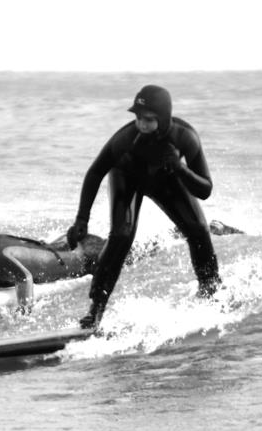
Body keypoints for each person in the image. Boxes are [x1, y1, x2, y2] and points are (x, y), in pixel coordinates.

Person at [66, 84, 222, 330]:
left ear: (164, 118)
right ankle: (96, 310)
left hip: (167, 179)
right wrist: (81, 219)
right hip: (127, 178)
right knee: (121, 235)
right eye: (138, 118)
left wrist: (180, 169)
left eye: (149, 119)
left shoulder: (185, 137)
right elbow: (96, 172)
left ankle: (211, 291)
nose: (141, 124)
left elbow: (205, 190)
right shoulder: (125, 139)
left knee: (198, 229)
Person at [0, 201, 105, 314]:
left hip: (88, 255)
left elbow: (24, 279)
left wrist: (23, 315)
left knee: (119, 257)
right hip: (65, 247)